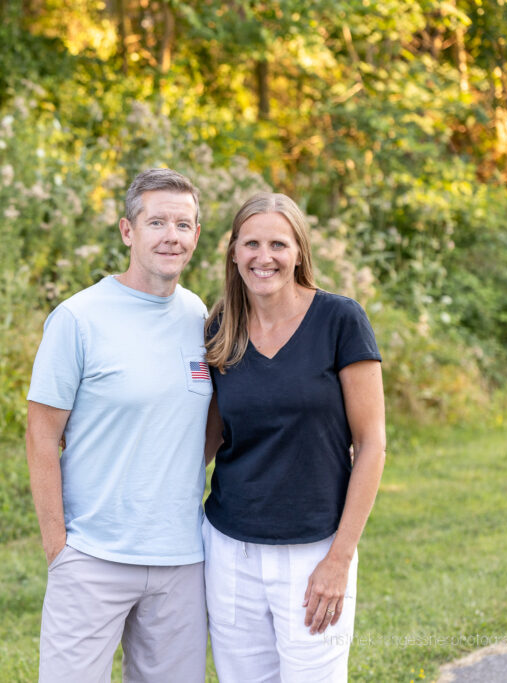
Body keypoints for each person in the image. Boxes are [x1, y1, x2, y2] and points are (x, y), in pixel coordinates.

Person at [26, 168, 212, 682]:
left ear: (196, 235)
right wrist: (58, 547)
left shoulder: (199, 316)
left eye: (183, 224)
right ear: (128, 231)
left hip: (180, 560)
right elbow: (41, 436)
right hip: (92, 556)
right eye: (157, 222)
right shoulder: (79, 318)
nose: (170, 236)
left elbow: (205, 425)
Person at [202, 192, 386, 682]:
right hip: (229, 551)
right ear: (234, 252)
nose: (265, 257)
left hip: (314, 551)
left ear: (299, 251)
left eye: (278, 244)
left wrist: (339, 558)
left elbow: (371, 445)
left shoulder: (340, 321)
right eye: (252, 244)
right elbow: (207, 440)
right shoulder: (221, 328)